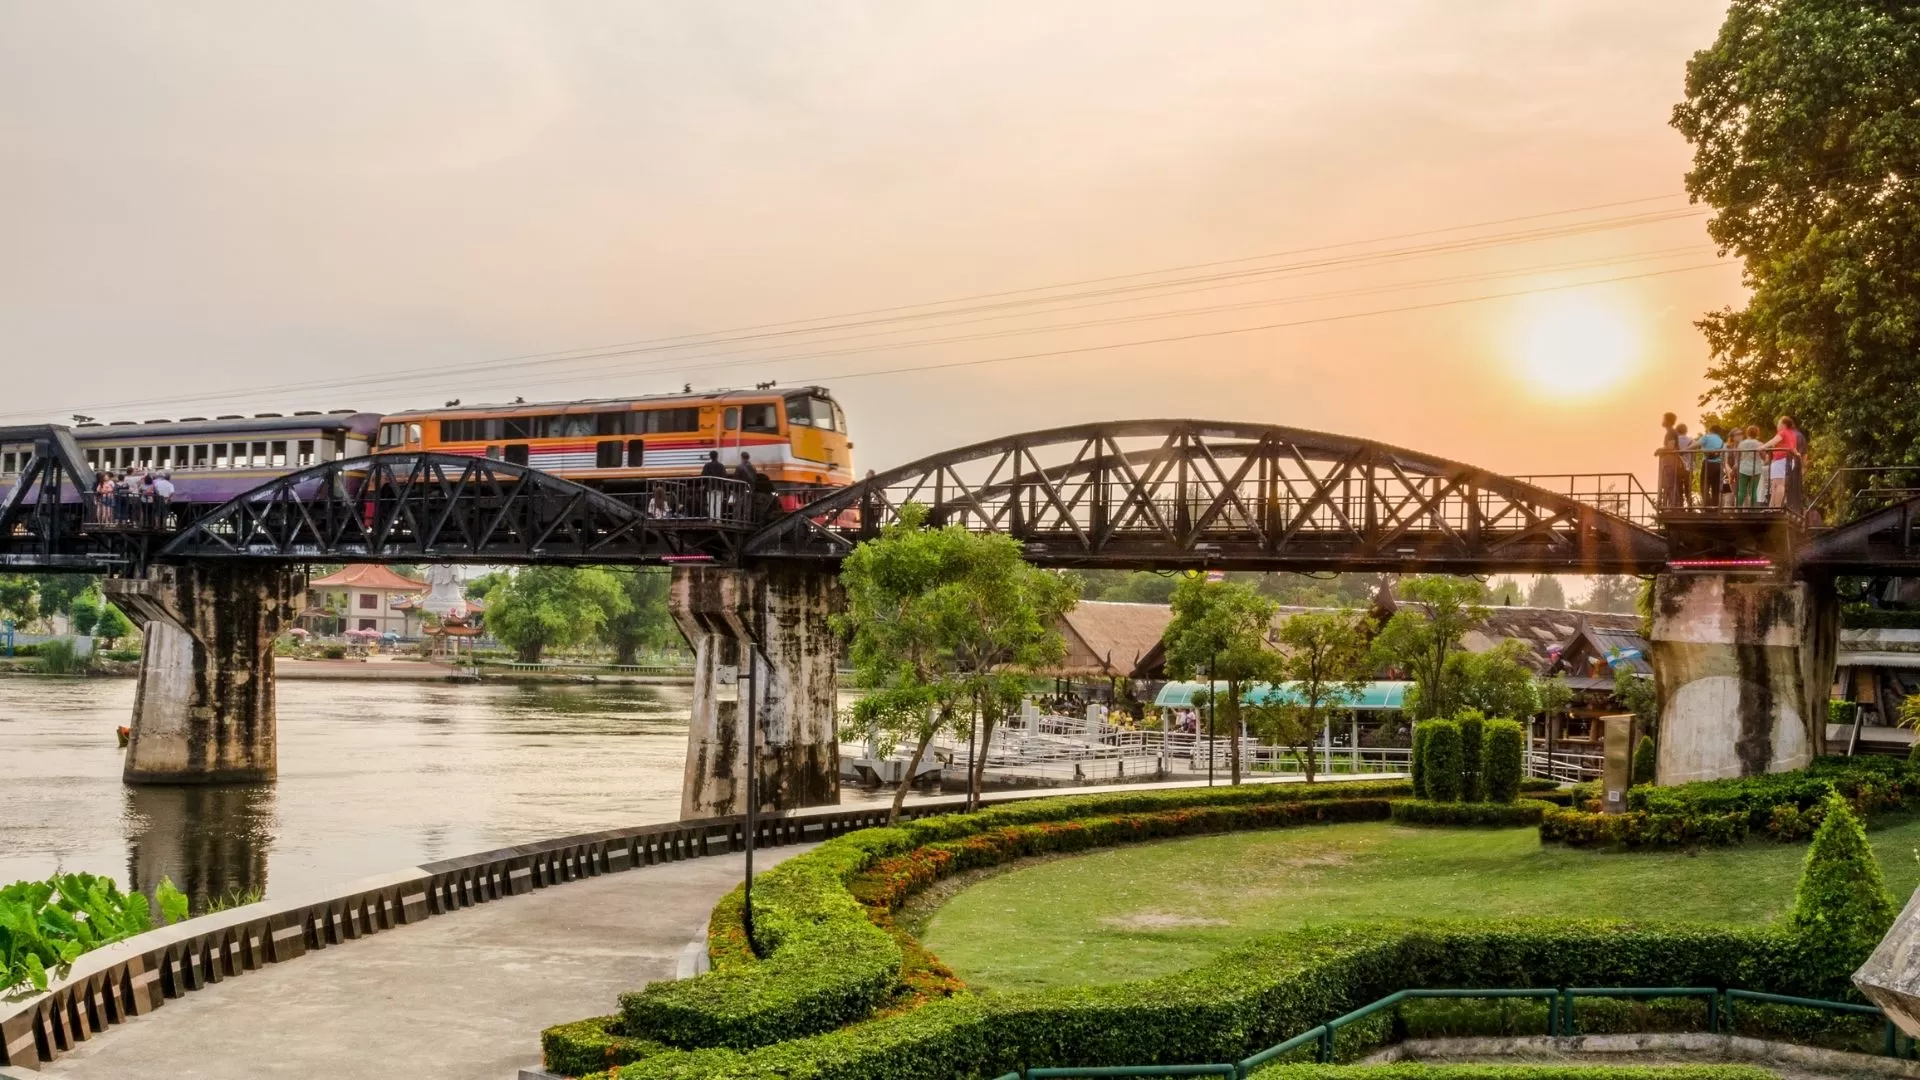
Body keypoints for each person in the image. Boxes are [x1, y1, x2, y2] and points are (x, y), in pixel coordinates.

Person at [1734, 425, 1767, 507]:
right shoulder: (1759, 444)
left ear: (1747, 433)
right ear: (1757, 434)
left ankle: (1737, 509)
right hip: (1755, 469)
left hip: (1743, 469)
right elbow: (1764, 457)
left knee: (1741, 491)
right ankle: (1753, 510)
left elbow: (1738, 457)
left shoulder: (1741, 444)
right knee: (1753, 491)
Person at [1769, 415, 1796, 509]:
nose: (1777, 425)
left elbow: (1773, 441)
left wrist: (1762, 447)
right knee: (1776, 485)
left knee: (1779, 484)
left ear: (1783, 424)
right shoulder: (1791, 433)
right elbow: (1793, 447)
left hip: (1781, 459)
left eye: (1779, 422)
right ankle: (1772, 507)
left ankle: (1776, 508)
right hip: (1787, 460)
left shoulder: (1783, 432)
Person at [1696, 424, 1726, 508]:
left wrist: (1684, 450)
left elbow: (1695, 444)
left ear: (1711, 430)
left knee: (1704, 487)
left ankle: (1707, 508)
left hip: (1708, 464)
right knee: (1715, 489)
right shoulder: (1721, 440)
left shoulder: (1706, 437)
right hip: (1718, 465)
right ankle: (1715, 508)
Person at [1657, 412, 1682, 509]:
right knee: (1671, 483)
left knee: (1670, 483)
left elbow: (1671, 447)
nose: (1662, 421)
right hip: (1670, 460)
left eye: (1663, 418)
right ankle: (1675, 505)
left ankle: (1674, 506)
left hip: (1670, 461)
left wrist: (1660, 450)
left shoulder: (1671, 432)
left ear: (1667, 421)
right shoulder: (1672, 432)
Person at [699, 450, 728, 518]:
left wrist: (703, 484)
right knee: (718, 505)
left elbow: (703, 476)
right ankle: (718, 519)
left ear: (710, 457)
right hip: (719, 488)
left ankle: (711, 518)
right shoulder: (721, 466)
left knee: (710, 504)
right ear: (717, 456)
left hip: (710, 488)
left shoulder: (707, 465)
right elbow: (724, 476)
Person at [1673, 423, 1695, 507]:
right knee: (1688, 489)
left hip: (1678, 467)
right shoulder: (1691, 441)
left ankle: (1680, 506)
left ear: (1677, 430)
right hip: (1688, 468)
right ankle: (1690, 506)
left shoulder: (1675, 440)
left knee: (1678, 488)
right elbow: (1695, 453)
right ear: (1686, 430)